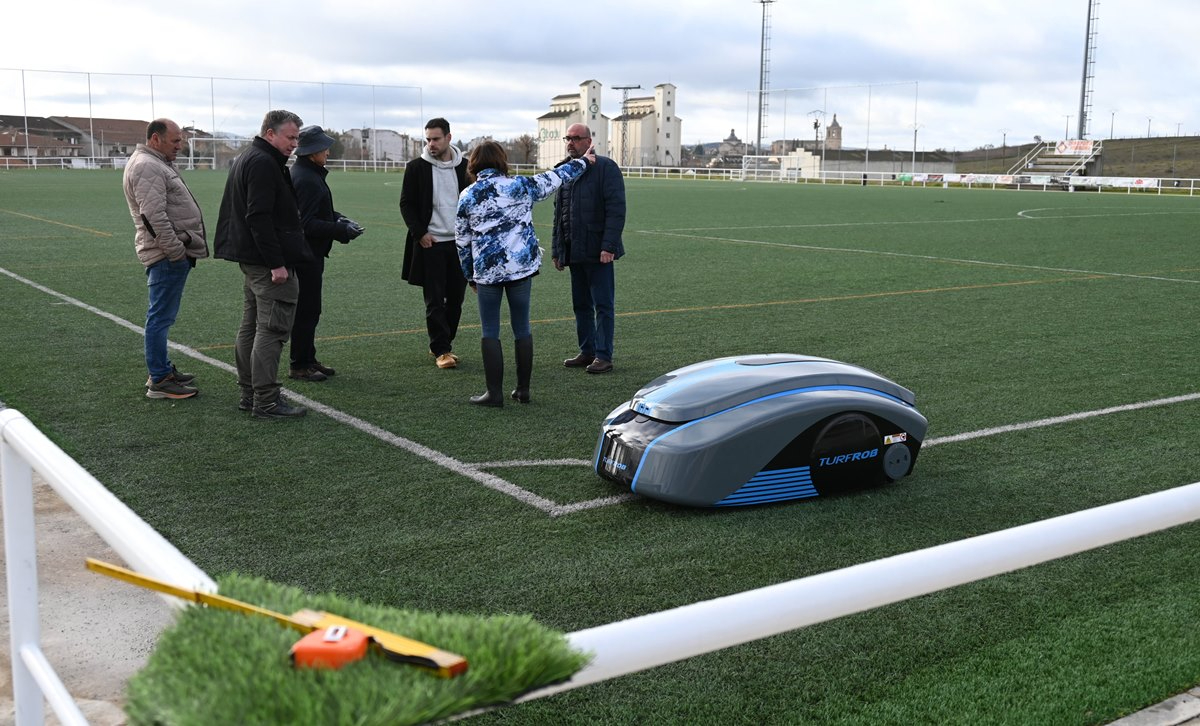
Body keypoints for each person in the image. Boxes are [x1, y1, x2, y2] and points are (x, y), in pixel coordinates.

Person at [456, 140, 595, 407]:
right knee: (522, 328)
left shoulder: (467, 195)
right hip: (521, 269)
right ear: (501, 161)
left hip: (487, 273)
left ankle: (493, 394)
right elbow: (556, 177)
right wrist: (583, 161)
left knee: (490, 331)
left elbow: (461, 241)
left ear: (474, 164)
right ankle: (523, 389)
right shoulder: (520, 185)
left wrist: (469, 275)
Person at [214, 110, 312, 419]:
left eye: (297, 137)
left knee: (252, 327)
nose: (294, 144)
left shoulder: (252, 157)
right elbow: (258, 217)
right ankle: (266, 400)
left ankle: (250, 393)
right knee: (271, 330)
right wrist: (277, 263)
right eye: (290, 137)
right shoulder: (262, 162)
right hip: (266, 263)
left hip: (251, 258)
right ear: (270, 133)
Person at [122, 118, 209, 400]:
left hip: (168, 252)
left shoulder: (154, 162)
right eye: (175, 141)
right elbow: (153, 216)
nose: (180, 146)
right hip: (165, 255)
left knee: (161, 315)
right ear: (155, 139)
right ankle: (159, 380)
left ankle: (161, 371)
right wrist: (175, 250)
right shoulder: (147, 165)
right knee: (160, 317)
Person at [288, 124, 364, 382]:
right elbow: (306, 224)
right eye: (324, 148)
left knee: (310, 309)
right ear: (312, 152)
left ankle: (308, 359)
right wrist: (340, 231)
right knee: (307, 310)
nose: (328, 152)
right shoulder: (307, 178)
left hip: (309, 253)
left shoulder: (307, 173)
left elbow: (317, 213)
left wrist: (340, 219)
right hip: (306, 254)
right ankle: (300, 364)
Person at [552, 123, 626, 375]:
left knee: (603, 305)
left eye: (576, 138)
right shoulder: (564, 170)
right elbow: (559, 214)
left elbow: (616, 210)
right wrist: (557, 249)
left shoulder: (606, 167)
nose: (570, 142)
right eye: (568, 138)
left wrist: (609, 246)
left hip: (598, 251)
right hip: (574, 250)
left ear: (588, 141)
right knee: (580, 305)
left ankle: (604, 355)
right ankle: (587, 351)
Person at [400, 118, 469, 369]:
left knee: (456, 300)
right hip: (431, 244)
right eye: (427, 139)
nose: (431, 144)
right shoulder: (416, 167)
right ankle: (442, 350)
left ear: (449, 138)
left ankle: (442, 343)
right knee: (434, 300)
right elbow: (406, 204)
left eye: (436, 139)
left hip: (460, 245)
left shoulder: (466, 167)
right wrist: (420, 233)